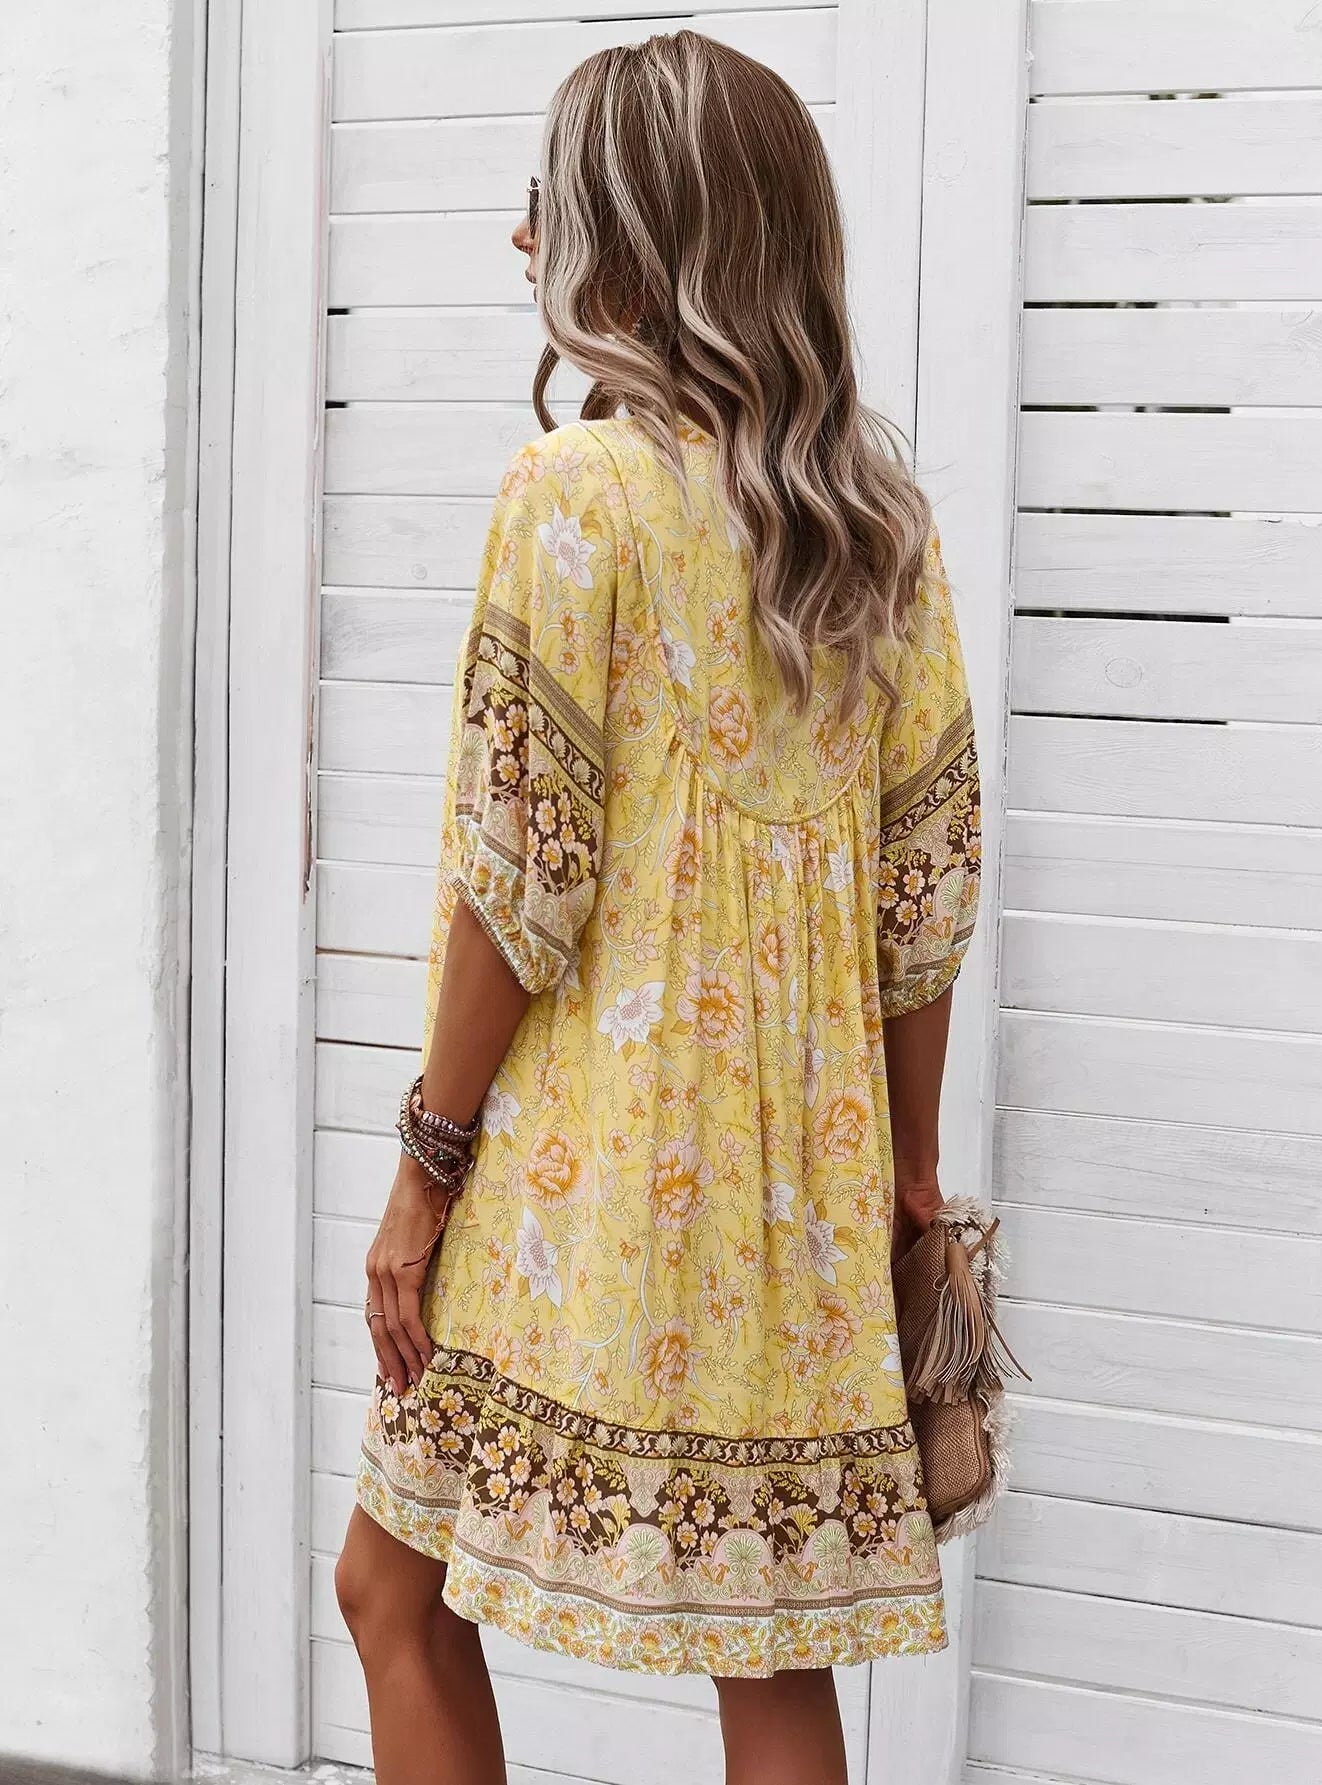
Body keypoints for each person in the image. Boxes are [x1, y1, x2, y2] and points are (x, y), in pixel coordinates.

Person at [334, 29, 981, 1785]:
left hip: (579, 1191)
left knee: (393, 1589)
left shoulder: (575, 493)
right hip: (801, 1205)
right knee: (772, 1665)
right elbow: (926, 898)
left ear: (635, 243)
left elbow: (519, 882)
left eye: (549, 206)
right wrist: (911, 1177)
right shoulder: (877, 528)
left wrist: (425, 1167)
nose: (521, 240)